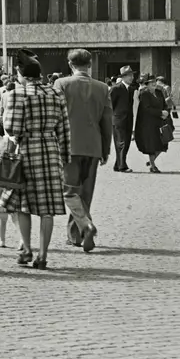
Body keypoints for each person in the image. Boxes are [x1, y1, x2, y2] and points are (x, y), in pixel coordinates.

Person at [0, 49, 71, 270]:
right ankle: (43, 254)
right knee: (47, 207)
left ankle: (27, 249)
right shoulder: (55, 94)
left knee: (23, 205)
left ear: (21, 73)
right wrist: (64, 156)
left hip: (27, 151)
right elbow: (64, 128)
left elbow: (11, 127)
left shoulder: (16, 95)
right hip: (50, 151)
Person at [53, 49, 111, 252]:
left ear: (70, 65)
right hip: (93, 146)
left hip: (67, 145)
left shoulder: (61, 84)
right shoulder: (103, 88)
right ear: (90, 65)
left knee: (69, 190)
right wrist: (106, 149)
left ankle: (85, 227)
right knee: (85, 193)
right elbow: (107, 122)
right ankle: (77, 235)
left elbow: (55, 115)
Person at [134, 73, 170, 173]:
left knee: (163, 144)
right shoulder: (144, 94)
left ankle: (151, 161)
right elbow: (146, 109)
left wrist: (166, 111)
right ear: (147, 84)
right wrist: (160, 112)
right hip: (149, 123)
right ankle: (153, 166)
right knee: (152, 145)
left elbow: (164, 104)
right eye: (151, 83)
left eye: (155, 82)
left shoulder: (159, 92)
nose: (154, 84)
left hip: (160, 121)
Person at [109, 67, 137, 172]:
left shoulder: (131, 89)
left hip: (128, 119)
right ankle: (122, 166)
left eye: (132, 75)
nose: (132, 77)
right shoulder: (116, 88)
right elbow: (109, 104)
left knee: (126, 142)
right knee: (121, 142)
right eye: (129, 75)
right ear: (123, 77)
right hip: (118, 120)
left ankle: (118, 165)